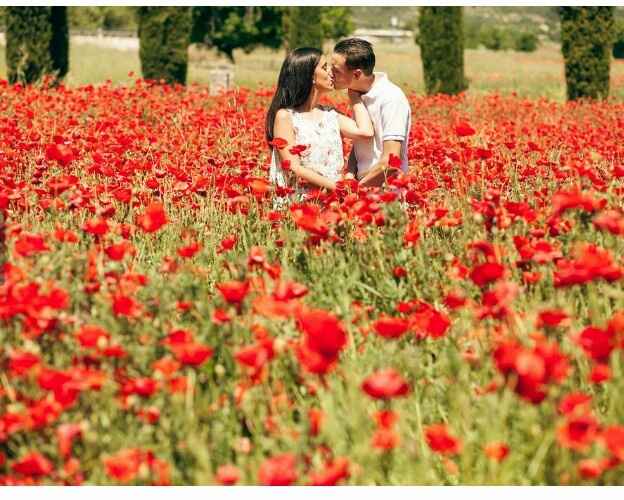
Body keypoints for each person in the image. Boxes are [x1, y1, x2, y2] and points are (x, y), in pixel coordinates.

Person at [266, 47, 374, 206]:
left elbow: (365, 132)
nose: (331, 72)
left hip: (330, 201)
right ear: (310, 76)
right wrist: (336, 187)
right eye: (325, 67)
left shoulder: (331, 115)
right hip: (300, 202)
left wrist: (353, 94)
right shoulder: (286, 116)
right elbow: (293, 167)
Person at [331, 38, 411, 188]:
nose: (330, 74)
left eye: (336, 71)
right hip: (365, 187)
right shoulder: (358, 94)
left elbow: (391, 161)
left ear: (356, 74)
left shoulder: (390, 98)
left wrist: (358, 190)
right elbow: (361, 144)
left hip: (385, 191)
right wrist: (350, 172)